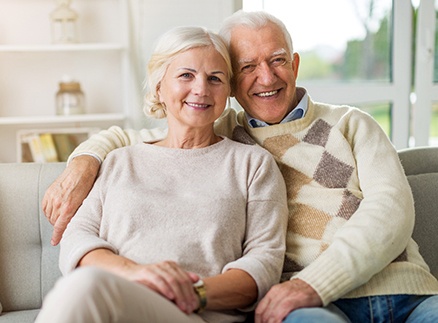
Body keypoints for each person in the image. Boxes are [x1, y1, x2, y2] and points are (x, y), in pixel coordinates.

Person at [42, 10, 438, 323]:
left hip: (394, 289)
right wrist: (84, 160)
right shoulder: (218, 136)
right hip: (309, 305)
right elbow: (150, 141)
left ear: (295, 64)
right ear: (233, 84)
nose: (266, 77)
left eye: (278, 60)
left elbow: (391, 209)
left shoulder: (344, 126)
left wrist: (311, 285)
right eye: (248, 66)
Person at [35, 25, 288, 323]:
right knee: (84, 286)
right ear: (159, 87)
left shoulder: (253, 165)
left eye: (215, 79)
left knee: (85, 288)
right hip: (114, 299)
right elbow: (77, 239)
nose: (201, 89)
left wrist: (190, 293)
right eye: (186, 75)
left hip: (195, 313)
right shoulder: (119, 161)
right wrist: (139, 274)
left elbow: (264, 263)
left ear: (228, 92)